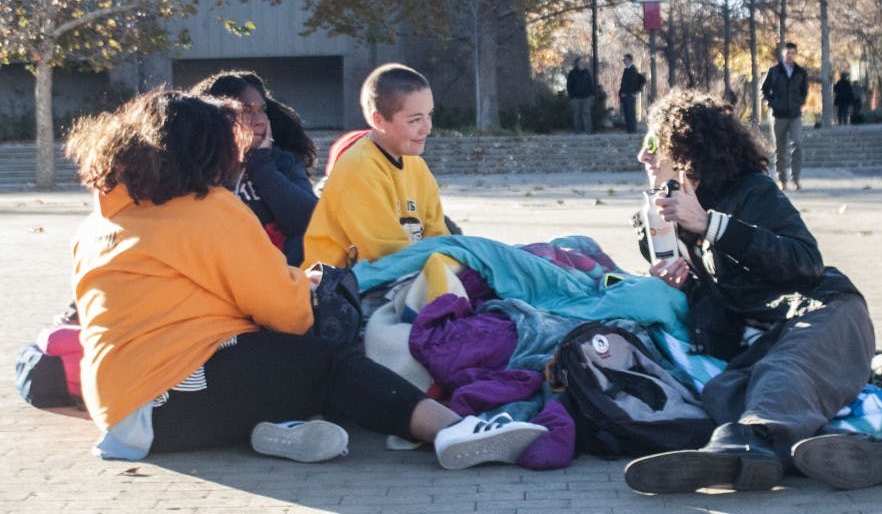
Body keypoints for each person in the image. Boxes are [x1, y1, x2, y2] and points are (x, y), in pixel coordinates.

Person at [65, 89, 546, 466]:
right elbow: (288, 312)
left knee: (281, 367)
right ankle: (453, 429)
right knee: (326, 361)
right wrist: (309, 286)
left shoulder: (103, 220)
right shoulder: (208, 211)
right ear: (206, 151)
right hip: (173, 394)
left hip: (122, 407)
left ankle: (277, 431)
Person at [623, 90, 882, 493]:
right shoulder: (662, 217)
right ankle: (821, 458)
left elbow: (805, 260)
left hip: (827, 311)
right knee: (724, 390)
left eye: (652, 145)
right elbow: (726, 302)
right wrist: (683, 284)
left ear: (685, 151)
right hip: (772, 332)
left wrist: (711, 225)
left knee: (782, 373)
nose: (643, 157)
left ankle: (748, 450)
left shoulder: (751, 192)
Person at [303, 63, 448, 269]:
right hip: (344, 287)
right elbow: (384, 254)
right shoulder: (358, 168)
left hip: (401, 274)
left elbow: (438, 238)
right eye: (415, 120)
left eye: (430, 115)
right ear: (378, 120)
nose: (428, 128)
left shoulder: (417, 167)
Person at [192, 71, 317, 266]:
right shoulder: (193, 166)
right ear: (216, 116)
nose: (259, 120)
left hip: (280, 281)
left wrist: (261, 164)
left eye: (262, 109)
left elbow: (308, 222)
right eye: (247, 111)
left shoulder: (283, 161)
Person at [761, 42, 808, 190]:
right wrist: (772, 104)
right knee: (779, 148)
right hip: (778, 115)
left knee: (797, 143)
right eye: (788, 53)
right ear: (783, 54)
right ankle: (782, 179)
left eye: (793, 53)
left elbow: (804, 91)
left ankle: (796, 178)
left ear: (796, 54)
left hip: (795, 114)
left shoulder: (801, 72)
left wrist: (799, 103)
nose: (790, 56)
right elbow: (764, 91)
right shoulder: (774, 71)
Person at [619, 54, 646, 134]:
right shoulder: (626, 70)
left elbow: (641, 80)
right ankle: (629, 129)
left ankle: (632, 130)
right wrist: (621, 92)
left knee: (631, 112)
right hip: (625, 95)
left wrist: (636, 91)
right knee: (627, 112)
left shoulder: (633, 70)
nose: (624, 61)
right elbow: (623, 83)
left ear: (630, 60)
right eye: (624, 60)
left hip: (630, 95)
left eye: (626, 60)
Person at [566, 57, 594, 134]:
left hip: (586, 97)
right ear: (577, 63)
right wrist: (571, 96)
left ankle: (588, 131)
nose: (582, 64)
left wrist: (591, 94)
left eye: (583, 62)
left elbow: (590, 84)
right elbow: (569, 86)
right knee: (576, 115)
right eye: (580, 62)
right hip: (575, 98)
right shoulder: (572, 73)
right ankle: (577, 131)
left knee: (586, 114)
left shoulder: (586, 72)